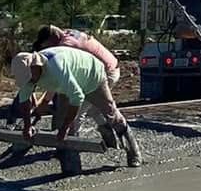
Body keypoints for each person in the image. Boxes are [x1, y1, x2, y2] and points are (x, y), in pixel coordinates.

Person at [10, 46, 140, 167]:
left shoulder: (57, 67)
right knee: (64, 120)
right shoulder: (30, 74)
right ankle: (71, 164)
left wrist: (65, 128)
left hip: (92, 75)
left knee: (110, 113)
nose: (31, 81)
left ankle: (133, 152)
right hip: (71, 79)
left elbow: (77, 97)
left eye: (31, 78)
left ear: (35, 66)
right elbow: (25, 100)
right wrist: (27, 126)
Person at [32, 22, 121, 82]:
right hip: (111, 66)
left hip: (107, 73)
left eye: (47, 46)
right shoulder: (69, 32)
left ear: (51, 39)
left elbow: (64, 74)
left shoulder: (66, 45)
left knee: (76, 102)